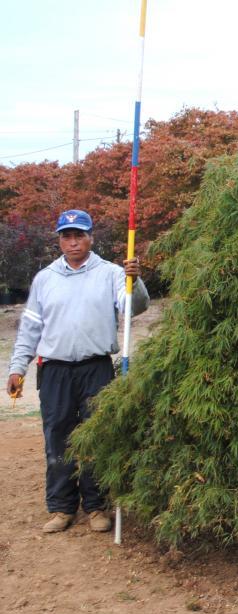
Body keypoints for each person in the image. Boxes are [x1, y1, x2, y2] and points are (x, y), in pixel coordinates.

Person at [6, 209, 149, 533]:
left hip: (95, 369)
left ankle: (97, 506)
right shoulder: (45, 279)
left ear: (90, 238)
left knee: (97, 436)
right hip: (55, 371)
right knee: (57, 438)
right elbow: (30, 329)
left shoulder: (112, 273)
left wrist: (135, 280)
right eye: (67, 236)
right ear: (59, 240)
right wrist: (18, 368)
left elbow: (134, 307)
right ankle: (61, 508)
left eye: (79, 235)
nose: (73, 242)